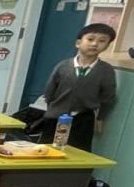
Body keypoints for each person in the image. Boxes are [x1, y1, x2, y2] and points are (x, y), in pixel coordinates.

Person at [35, 23, 118, 151]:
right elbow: (49, 92)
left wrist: (100, 118)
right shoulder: (63, 66)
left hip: (83, 119)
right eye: (90, 39)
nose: (95, 44)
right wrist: (54, 109)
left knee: (78, 152)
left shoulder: (106, 70)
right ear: (78, 43)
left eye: (102, 41)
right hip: (56, 117)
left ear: (107, 46)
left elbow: (108, 98)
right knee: (46, 150)